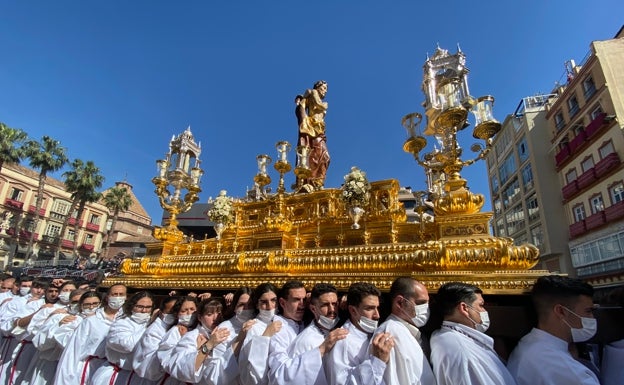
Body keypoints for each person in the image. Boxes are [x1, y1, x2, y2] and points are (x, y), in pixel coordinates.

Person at [507, 275, 599, 385]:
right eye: (588, 311)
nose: (592, 318)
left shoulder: (528, 344)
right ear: (561, 311)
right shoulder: (563, 368)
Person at [429, 282, 516, 385]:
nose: (484, 311)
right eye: (481, 305)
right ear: (464, 308)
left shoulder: (445, 336)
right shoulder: (462, 351)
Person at [271, 283, 348, 385]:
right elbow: (286, 377)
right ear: (313, 309)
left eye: (334, 304)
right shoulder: (305, 341)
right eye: (325, 305)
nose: (332, 310)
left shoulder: (342, 328)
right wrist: (320, 350)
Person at [53, 283, 126, 385]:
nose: (118, 297)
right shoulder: (91, 320)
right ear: (107, 297)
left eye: (121, 294)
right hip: (86, 370)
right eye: (115, 294)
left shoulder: (125, 320)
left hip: (110, 371)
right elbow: (73, 351)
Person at [326, 282, 393, 385]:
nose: (377, 315)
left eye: (377, 308)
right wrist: (377, 362)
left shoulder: (375, 332)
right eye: (369, 308)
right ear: (353, 310)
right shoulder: (343, 341)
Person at [375, 277, 436, 385]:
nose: (426, 308)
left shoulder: (409, 332)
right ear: (400, 302)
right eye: (421, 303)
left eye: (427, 303)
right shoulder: (390, 333)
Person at [90, 290, 155, 385]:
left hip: (138, 378)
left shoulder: (150, 323)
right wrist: (149, 326)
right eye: (140, 306)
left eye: (148, 307)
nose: (144, 311)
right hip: (115, 375)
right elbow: (127, 345)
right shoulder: (121, 323)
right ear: (132, 306)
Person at [239, 283, 282, 385]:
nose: (270, 306)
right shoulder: (253, 327)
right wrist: (265, 336)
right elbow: (251, 369)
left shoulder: (285, 321)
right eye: (264, 302)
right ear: (257, 304)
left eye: (273, 300)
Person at [131, 295, 179, 384]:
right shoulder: (154, 331)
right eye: (171, 312)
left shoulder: (177, 328)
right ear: (161, 312)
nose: (175, 315)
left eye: (177, 312)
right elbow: (150, 368)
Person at [295, 80, 330, 191]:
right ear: (317, 87)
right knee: (312, 155)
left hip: (320, 131)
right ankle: (309, 182)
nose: (325, 91)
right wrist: (301, 99)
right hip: (311, 129)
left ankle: (318, 182)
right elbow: (302, 105)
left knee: (325, 157)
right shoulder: (312, 92)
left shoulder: (320, 100)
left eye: (326, 89)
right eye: (323, 88)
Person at [157, 296, 198, 385]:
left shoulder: (196, 329)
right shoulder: (174, 331)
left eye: (192, 309)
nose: (189, 313)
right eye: (184, 311)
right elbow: (166, 360)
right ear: (177, 314)